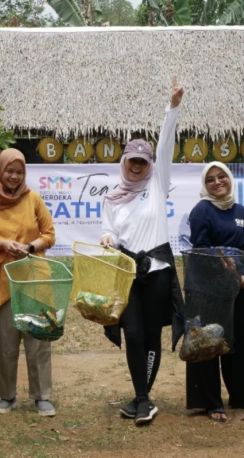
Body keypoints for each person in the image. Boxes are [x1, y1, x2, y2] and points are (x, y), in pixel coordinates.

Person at [100, 81, 184, 426]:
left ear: (150, 164)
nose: (137, 166)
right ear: (124, 162)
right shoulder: (112, 196)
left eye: (143, 161)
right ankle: (142, 396)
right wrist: (107, 238)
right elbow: (108, 229)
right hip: (127, 272)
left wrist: (172, 108)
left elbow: (165, 146)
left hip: (159, 271)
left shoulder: (157, 184)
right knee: (131, 332)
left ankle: (143, 398)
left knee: (151, 334)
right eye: (132, 160)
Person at [185, 161, 244, 423]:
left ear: (230, 179)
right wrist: (221, 263)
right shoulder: (201, 210)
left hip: (235, 287)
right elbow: (200, 248)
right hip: (208, 289)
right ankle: (211, 402)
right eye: (210, 179)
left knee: (240, 341)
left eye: (221, 176)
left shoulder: (240, 211)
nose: (217, 182)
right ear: (204, 185)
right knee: (210, 343)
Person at [0, 149, 56, 416]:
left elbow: (50, 235)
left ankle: (42, 395)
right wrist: (3, 245)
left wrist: (30, 247)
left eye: (19, 171)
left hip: (35, 277)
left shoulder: (33, 198)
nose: (14, 176)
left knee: (38, 338)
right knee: (7, 342)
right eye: (9, 170)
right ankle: (7, 396)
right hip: (2, 279)